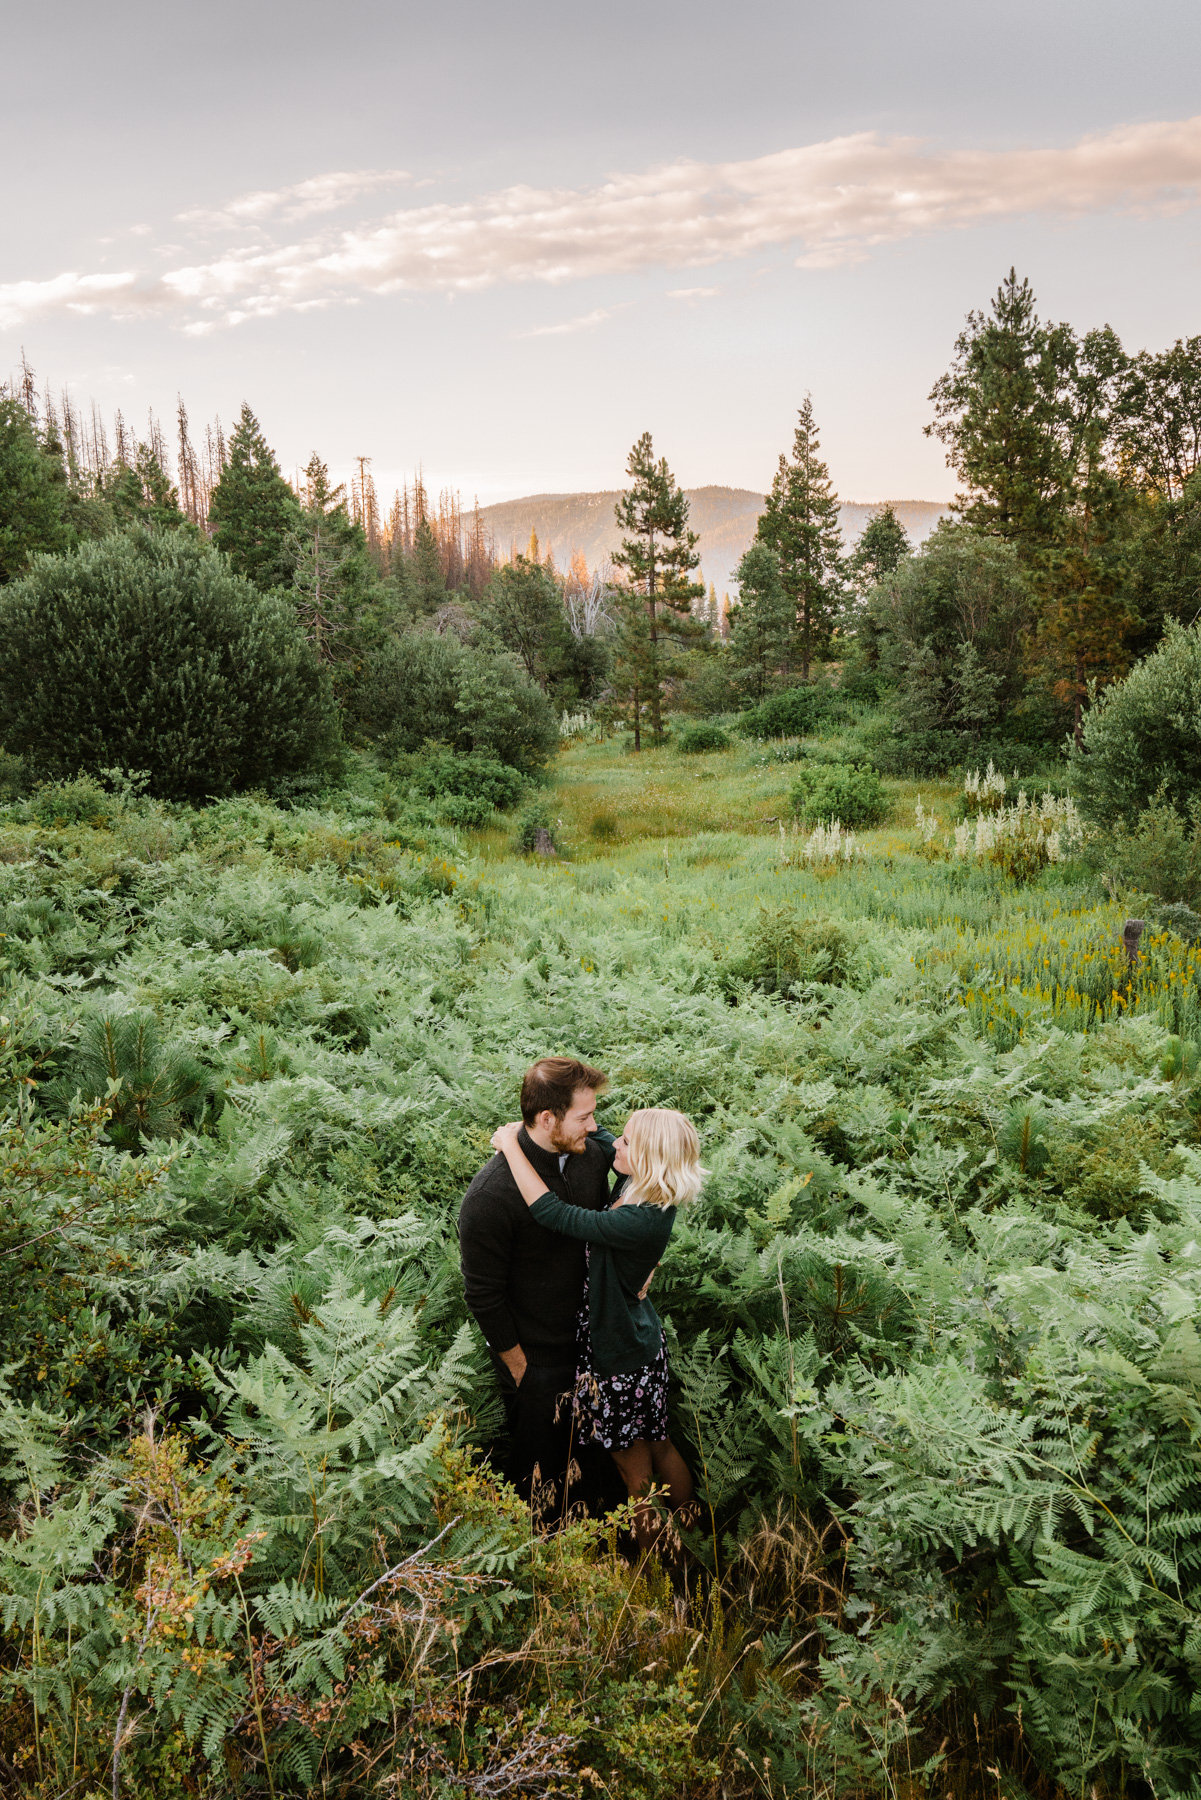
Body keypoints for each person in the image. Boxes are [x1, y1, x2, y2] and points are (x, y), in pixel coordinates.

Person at [490, 1106, 705, 1552]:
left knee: (635, 1477)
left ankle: (669, 1570)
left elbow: (556, 1214)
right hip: (640, 1343)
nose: (612, 1143)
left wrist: (511, 1145)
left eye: (627, 1143)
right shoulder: (642, 1186)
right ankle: (702, 1542)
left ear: (648, 1157)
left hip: (619, 1356)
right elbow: (599, 1131)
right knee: (659, 1444)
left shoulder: (638, 1217)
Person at [458, 1056, 619, 1521]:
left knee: (591, 1470)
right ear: (547, 1119)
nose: (595, 1125)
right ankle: (538, 1574)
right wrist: (521, 1370)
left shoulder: (589, 1157)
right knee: (538, 1482)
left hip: (590, 1346)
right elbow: (482, 1294)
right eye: (584, 1116)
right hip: (536, 1360)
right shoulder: (492, 1195)